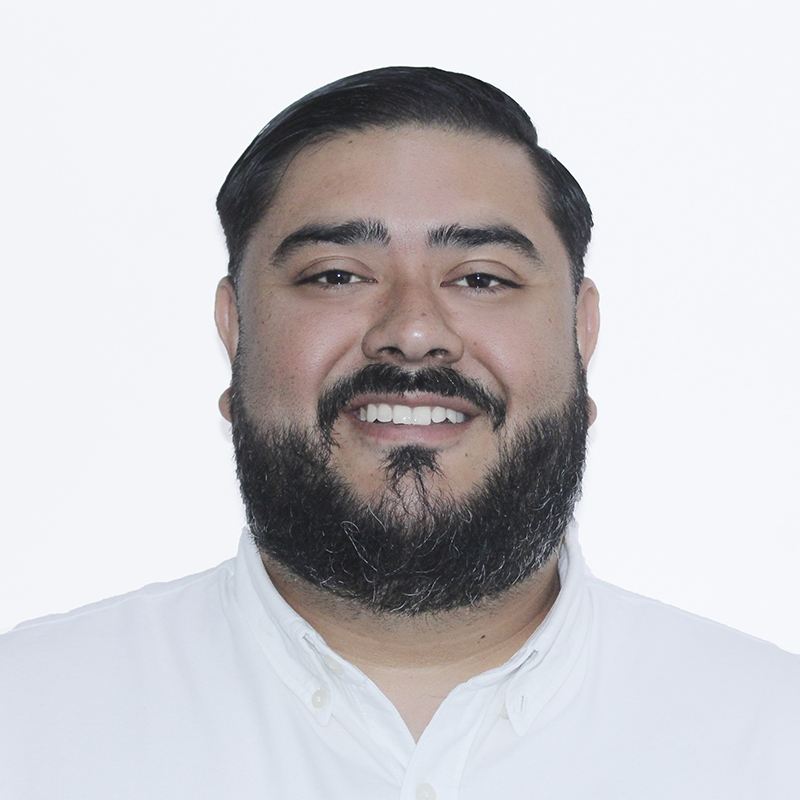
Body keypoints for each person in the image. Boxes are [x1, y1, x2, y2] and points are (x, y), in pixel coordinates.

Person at [1, 67, 797, 799]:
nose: (413, 331)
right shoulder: (27, 721)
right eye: (336, 275)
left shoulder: (771, 739)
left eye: (481, 278)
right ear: (234, 329)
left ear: (581, 334)